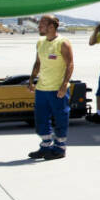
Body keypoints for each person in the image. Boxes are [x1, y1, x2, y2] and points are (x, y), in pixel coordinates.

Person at [27, 15, 74, 160]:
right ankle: (45, 146)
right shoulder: (40, 42)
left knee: (60, 118)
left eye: (42, 23)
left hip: (56, 89)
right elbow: (38, 63)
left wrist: (64, 84)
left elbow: (70, 64)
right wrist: (31, 80)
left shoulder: (63, 43)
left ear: (52, 26)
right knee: (41, 119)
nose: (39, 26)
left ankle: (60, 148)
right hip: (42, 88)